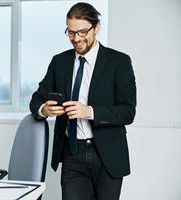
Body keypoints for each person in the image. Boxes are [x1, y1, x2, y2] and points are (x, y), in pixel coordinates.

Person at [29, 2, 136, 200]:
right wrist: (45, 109)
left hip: (107, 155)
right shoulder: (59, 62)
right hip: (72, 154)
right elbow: (36, 100)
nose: (76, 39)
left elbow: (128, 112)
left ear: (97, 27)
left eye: (82, 32)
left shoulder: (119, 62)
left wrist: (90, 112)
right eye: (71, 32)